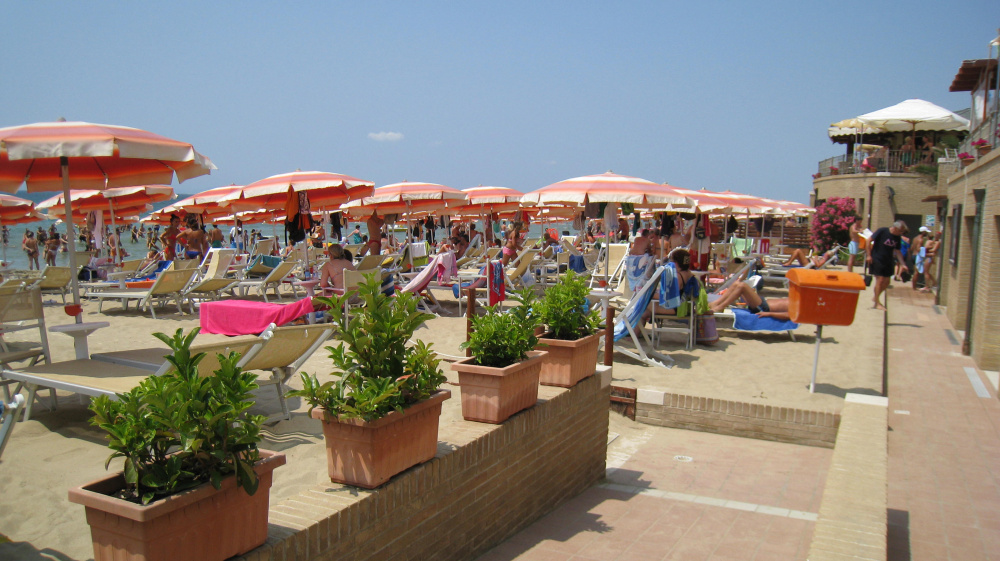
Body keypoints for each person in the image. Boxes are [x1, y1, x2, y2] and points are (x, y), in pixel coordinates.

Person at [867, 220, 909, 311]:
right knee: (880, 280)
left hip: (888, 260)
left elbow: (898, 251)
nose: (901, 233)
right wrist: (869, 255)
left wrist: (903, 264)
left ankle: (876, 297)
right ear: (896, 228)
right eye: (901, 231)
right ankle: (877, 303)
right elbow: (869, 240)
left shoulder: (897, 237)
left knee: (887, 282)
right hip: (877, 258)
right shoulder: (882, 231)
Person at [708, 279, 791, 320]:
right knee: (737, 283)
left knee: (742, 286)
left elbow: (789, 315)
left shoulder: (802, 306)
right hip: (762, 302)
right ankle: (716, 303)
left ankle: (720, 307)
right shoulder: (798, 299)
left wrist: (769, 314)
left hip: (763, 308)